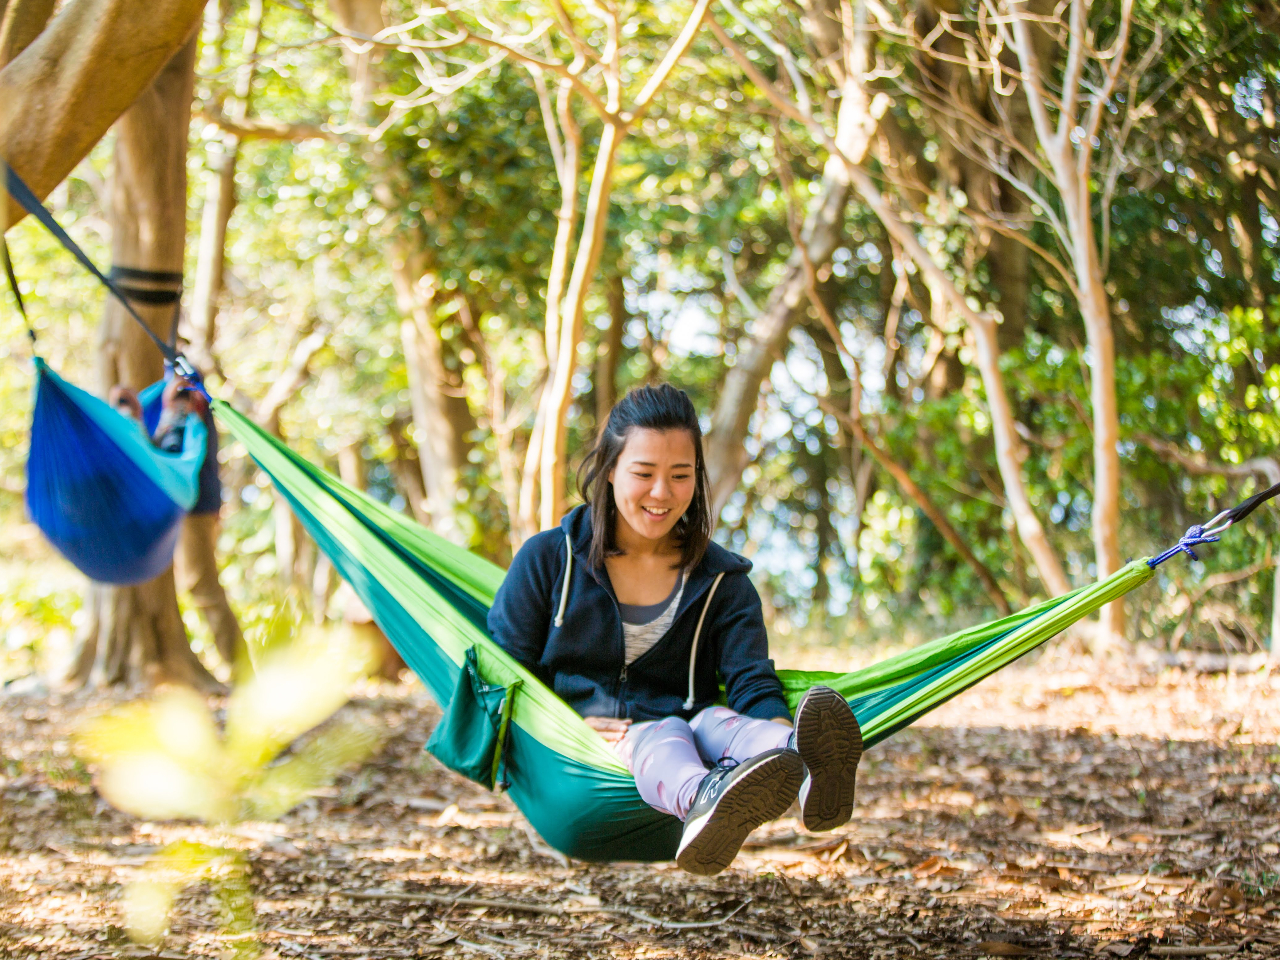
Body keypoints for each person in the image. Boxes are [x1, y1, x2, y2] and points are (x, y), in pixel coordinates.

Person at [488, 384, 864, 875]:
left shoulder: (723, 582)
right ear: (608, 470)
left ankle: (802, 759)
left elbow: (751, 679)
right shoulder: (548, 560)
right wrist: (560, 725)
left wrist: (775, 728)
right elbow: (502, 676)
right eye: (643, 473)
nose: (662, 493)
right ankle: (703, 799)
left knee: (720, 725)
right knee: (663, 736)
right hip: (599, 749)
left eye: (680, 475)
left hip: (698, 726)